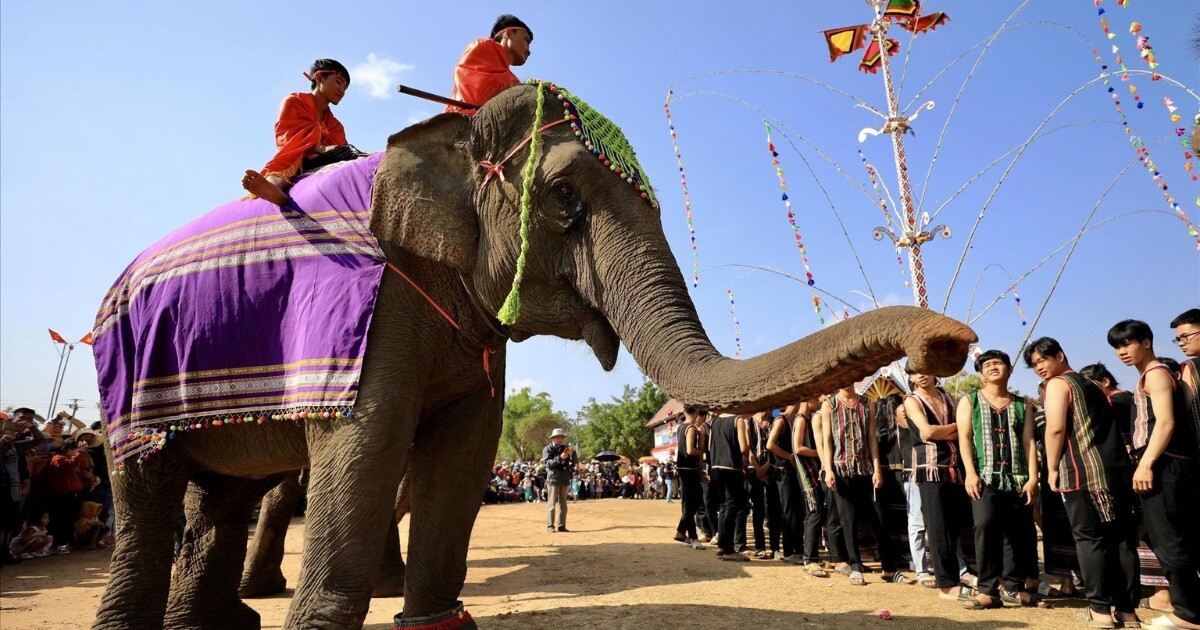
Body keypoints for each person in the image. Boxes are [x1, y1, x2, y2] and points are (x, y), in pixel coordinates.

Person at [1026, 336, 1139, 629]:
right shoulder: (1093, 385)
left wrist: (1052, 468)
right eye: (1034, 364)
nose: (1039, 367)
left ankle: (1100, 610)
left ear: (1060, 355)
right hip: (1115, 472)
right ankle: (1127, 611)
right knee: (1120, 540)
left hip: (1082, 472)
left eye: (1043, 359)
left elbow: (1055, 428)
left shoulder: (1058, 384)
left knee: (1089, 539)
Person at [1108, 320, 1200, 629]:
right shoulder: (1153, 374)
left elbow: (1165, 422)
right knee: (1175, 539)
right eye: (1117, 347)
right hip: (1169, 465)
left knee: (1169, 541)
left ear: (1146, 342)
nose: (1122, 351)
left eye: (1128, 343)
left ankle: (1188, 613)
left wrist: (1146, 463)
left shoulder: (1156, 373)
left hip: (1164, 466)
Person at [956, 350, 1043, 610]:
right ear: (981, 375)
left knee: (1017, 532)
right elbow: (964, 439)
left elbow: (1029, 442)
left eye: (998, 363)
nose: (993, 367)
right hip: (984, 477)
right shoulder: (969, 400)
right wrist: (970, 473)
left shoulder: (1023, 404)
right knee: (984, 528)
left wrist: (1033, 478)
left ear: (1010, 369)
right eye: (987, 365)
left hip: (1017, 478)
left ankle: (1013, 588)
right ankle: (987, 590)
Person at [902, 368, 974, 601]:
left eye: (926, 370)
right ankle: (946, 584)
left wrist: (948, 431)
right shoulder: (912, 400)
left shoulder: (948, 398)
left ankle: (958, 575)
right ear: (910, 378)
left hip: (954, 467)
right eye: (915, 372)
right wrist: (958, 428)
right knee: (937, 527)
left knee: (953, 526)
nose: (921, 375)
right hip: (930, 468)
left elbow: (962, 429)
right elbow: (928, 431)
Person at [242, 59, 354, 206]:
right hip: (299, 159)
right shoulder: (295, 101)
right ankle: (273, 187)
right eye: (338, 82)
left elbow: (340, 147)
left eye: (345, 88)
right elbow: (289, 138)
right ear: (320, 77)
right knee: (291, 157)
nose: (342, 91)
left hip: (325, 160)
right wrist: (321, 148)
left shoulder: (336, 125)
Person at [820, 385, 900, 586]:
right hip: (841, 468)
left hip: (866, 468)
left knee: (880, 517)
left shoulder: (867, 403)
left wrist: (877, 469)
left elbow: (872, 438)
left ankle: (889, 568)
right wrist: (828, 469)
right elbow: (827, 440)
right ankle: (855, 566)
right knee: (848, 520)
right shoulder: (829, 404)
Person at [445, 15, 532, 115]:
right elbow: (477, 95)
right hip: (462, 118)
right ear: (509, 33)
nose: (529, 51)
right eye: (526, 40)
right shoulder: (482, 46)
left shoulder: (513, 79)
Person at [790, 399, 830, 575]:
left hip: (811, 474)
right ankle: (810, 559)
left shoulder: (805, 419)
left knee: (813, 515)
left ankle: (811, 556)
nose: (820, 401)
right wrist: (820, 453)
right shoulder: (800, 419)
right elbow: (798, 448)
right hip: (807, 476)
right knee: (814, 514)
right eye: (816, 397)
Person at [708, 413, 750, 561]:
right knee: (732, 507)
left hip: (716, 468)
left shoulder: (714, 422)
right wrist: (745, 460)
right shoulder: (738, 420)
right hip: (731, 468)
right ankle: (729, 550)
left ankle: (722, 545)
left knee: (723, 506)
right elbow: (744, 447)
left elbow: (710, 446)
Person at [674, 407, 707, 548]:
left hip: (683, 468)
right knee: (695, 502)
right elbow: (690, 450)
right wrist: (701, 450)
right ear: (696, 413)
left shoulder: (681, 427)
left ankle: (683, 533)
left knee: (689, 503)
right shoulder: (691, 428)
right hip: (689, 469)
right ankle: (689, 535)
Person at [1172, 308, 1200, 453]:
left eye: (1185, 337)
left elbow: (1187, 410)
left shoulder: (1191, 367)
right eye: (1177, 340)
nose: (1181, 343)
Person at [542, 428, 576, 532]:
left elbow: (574, 462)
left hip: (564, 479)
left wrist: (572, 453)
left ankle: (561, 526)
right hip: (553, 479)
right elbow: (548, 464)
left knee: (563, 505)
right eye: (557, 437)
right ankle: (550, 526)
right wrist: (560, 458)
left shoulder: (566, 448)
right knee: (552, 504)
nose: (559, 439)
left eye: (561, 437)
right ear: (553, 438)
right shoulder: (547, 449)